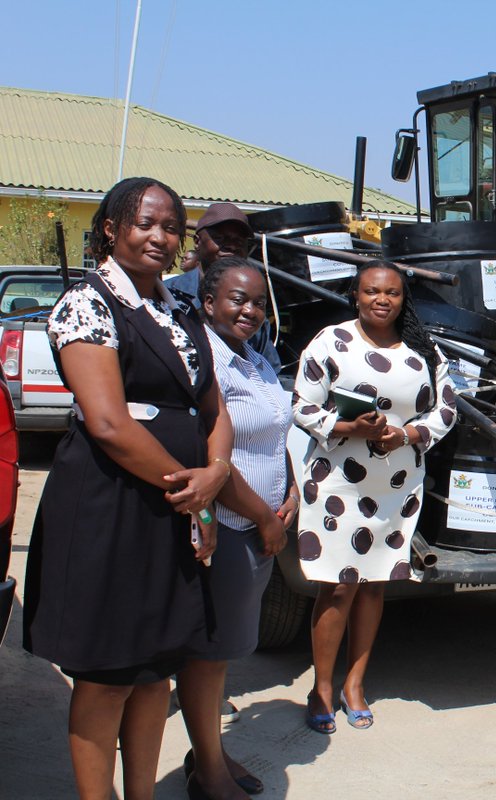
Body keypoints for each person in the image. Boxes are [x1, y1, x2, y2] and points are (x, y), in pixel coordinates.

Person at [23, 177, 233, 800]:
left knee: (154, 672)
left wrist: (216, 473)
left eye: (171, 227)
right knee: (108, 675)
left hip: (172, 507)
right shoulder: (86, 304)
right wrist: (192, 487)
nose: (160, 237)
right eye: (145, 223)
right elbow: (110, 424)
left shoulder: (179, 311)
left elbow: (212, 408)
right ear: (111, 229)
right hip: (111, 507)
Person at [293, 259, 456, 734]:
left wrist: (406, 435)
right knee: (339, 584)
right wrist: (348, 427)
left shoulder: (424, 350)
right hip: (338, 480)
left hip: (396, 485)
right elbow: (302, 405)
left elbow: (446, 408)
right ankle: (322, 688)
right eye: (370, 292)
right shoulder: (331, 341)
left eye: (391, 293)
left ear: (403, 299)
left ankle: (355, 684)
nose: (381, 300)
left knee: (375, 584)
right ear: (355, 296)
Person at [176, 258, 298, 799]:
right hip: (227, 526)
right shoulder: (207, 363)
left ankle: (207, 752)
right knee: (207, 655)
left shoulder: (254, 357)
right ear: (208, 303)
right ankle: (209, 770)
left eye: (257, 302)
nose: (249, 310)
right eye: (236, 300)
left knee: (222, 653)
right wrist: (264, 516)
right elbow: (214, 460)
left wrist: (290, 490)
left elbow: (274, 435)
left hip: (261, 524)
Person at [166, 202, 282, 376]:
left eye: (239, 241)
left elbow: (270, 373)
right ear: (197, 242)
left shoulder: (253, 310)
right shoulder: (168, 295)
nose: (231, 246)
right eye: (220, 239)